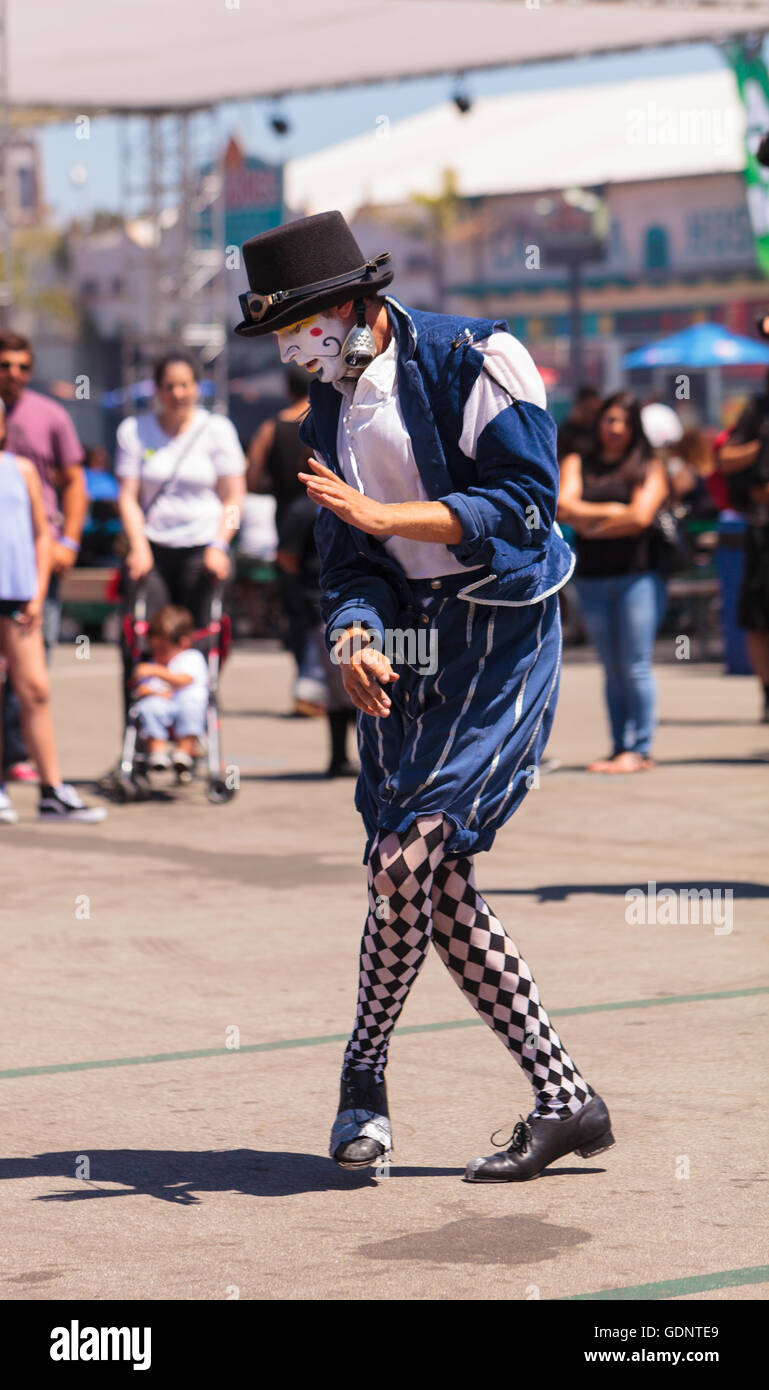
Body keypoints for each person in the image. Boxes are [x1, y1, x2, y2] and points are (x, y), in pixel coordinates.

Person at [234, 210, 615, 1183]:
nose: (294, 346)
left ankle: (362, 1072)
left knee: (413, 856)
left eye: (303, 323)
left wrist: (388, 512)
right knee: (414, 877)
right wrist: (355, 636)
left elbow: (529, 504)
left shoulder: (481, 358)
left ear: (357, 302)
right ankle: (565, 1098)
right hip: (410, 634)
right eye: (282, 333)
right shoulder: (326, 407)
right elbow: (349, 561)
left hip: (499, 627)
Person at [115, 351, 246, 715]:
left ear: (197, 387)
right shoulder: (134, 430)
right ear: (156, 389)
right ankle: (143, 731)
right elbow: (127, 498)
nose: (177, 393)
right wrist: (138, 547)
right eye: (169, 386)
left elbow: (235, 496)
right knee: (144, 634)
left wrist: (220, 544)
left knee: (203, 638)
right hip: (153, 548)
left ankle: (196, 723)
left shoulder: (217, 429)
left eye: (185, 385)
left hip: (203, 548)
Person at [0, 399, 106, 824]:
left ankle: (52, 791)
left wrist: (37, 593)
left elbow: (43, 535)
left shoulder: (21, 469)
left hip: (19, 597)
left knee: (35, 691)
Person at [558, 392, 669, 773]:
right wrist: (612, 512)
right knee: (611, 666)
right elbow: (562, 506)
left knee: (635, 664)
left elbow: (641, 516)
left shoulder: (648, 464)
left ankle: (639, 749)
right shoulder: (578, 461)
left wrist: (590, 523)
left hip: (637, 576)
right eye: (609, 420)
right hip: (592, 577)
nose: (615, 428)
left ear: (634, 426)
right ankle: (619, 745)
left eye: (623, 421)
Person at [0, 331, 88, 783]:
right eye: (4, 365)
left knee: (33, 669)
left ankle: (18, 753)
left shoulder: (49, 416)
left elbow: (75, 482)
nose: (12, 374)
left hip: (33, 562)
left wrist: (67, 542)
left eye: (21, 366)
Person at [247, 365, 318, 711]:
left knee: (297, 612)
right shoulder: (323, 421)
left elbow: (252, 476)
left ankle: (306, 685)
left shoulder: (270, 428)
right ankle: (330, 690)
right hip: (330, 523)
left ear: (286, 390)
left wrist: (274, 485)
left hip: (287, 533)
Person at [717, 372, 769, 722]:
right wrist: (761, 445)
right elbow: (726, 459)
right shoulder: (758, 409)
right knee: (758, 620)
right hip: (762, 531)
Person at [129, 605, 208, 775]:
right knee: (148, 708)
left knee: (192, 708)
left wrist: (158, 672)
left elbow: (185, 680)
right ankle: (158, 751)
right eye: (154, 649)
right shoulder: (153, 664)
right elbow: (145, 688)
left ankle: (184, 751)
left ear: (183, 643)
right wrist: (146, 688)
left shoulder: (190, 658)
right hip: (164, 707)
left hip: (185, 703)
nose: (158, 654)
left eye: (163, 650)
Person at [557, 384, 600, 462]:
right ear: (579, 406)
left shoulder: (598, 432)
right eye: (588, 410)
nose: (592, 415)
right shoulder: (564, 433)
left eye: (595, 412)